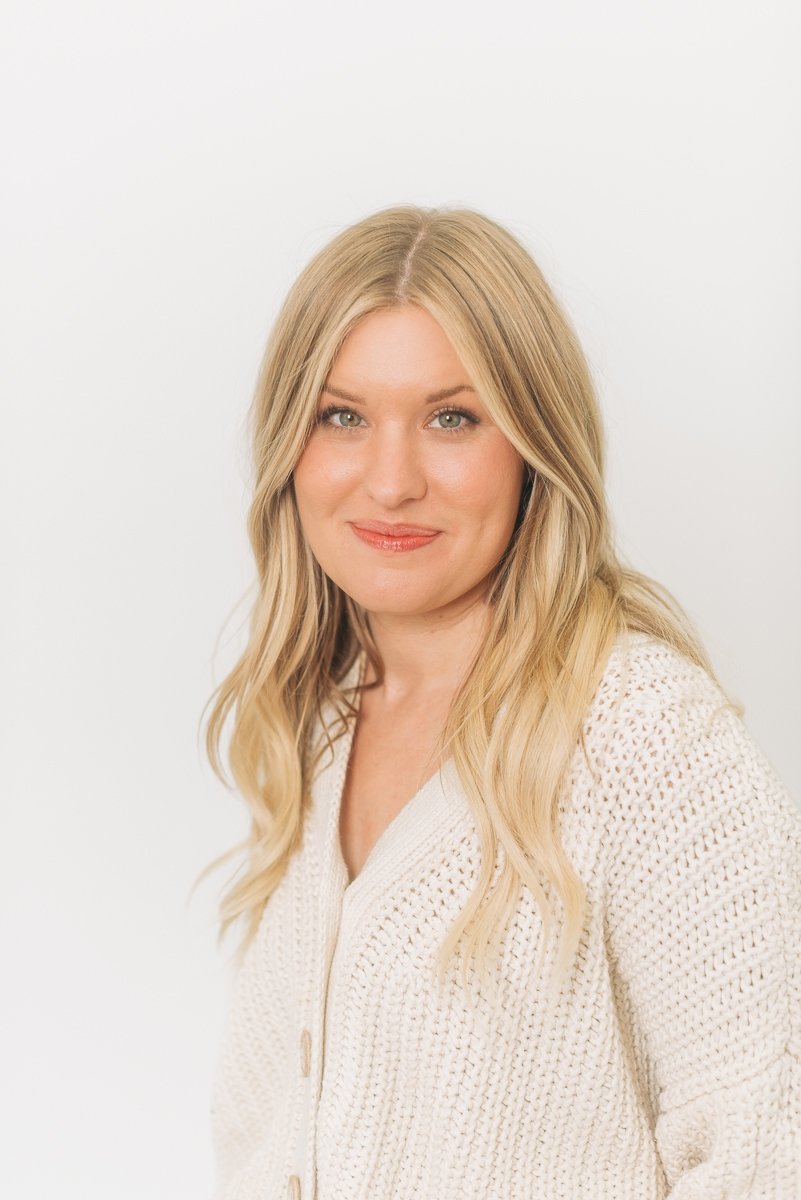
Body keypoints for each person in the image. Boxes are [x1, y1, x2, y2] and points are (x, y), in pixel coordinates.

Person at [199, 205, 801, 1200]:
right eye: (342, 416)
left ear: (532, 445)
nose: (391, 481)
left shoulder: (648, 736)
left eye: (452, 418)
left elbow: (766, 1158)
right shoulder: (320, 730)